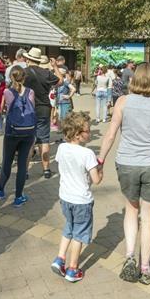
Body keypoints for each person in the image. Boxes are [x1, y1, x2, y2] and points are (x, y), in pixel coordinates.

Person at [97, 63, 150, 286]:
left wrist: (100, 160)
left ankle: (129, 257)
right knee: (148, 217)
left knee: (131, 211)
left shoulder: (122, 102)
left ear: (135, 80)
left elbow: (111, 135)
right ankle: (145, 266)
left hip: (126, 163)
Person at [51, 112, 102, 282]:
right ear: (78, 134)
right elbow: (96, 180)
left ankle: (60, 259)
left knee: (69, 227)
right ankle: (73, 268)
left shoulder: (61, 148)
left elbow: (63, 165)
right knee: (79, 233)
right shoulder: (87, 154)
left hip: (65, 197)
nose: (90, 132)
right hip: (81, 200)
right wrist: (100, 169)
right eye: (87, 130)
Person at [0, 66, 36, 206]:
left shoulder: (7, 92)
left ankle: (0, 190)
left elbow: (1, 110)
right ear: (24, 77)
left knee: (7, 162)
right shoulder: (31, 92)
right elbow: (32, 109)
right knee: (22, 165)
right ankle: (19, 197)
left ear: (11, 77)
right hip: (28, 131)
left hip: (12, 131)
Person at [22, 47, 63, 179]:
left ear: (28, 59)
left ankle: (25, 171)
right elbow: (60, 81)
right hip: (44, 108)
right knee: (44, 139)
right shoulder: (46, 73)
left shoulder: (23, 73)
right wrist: (55, 66)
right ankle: (46, 169)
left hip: (27, 109)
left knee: (29, 141)